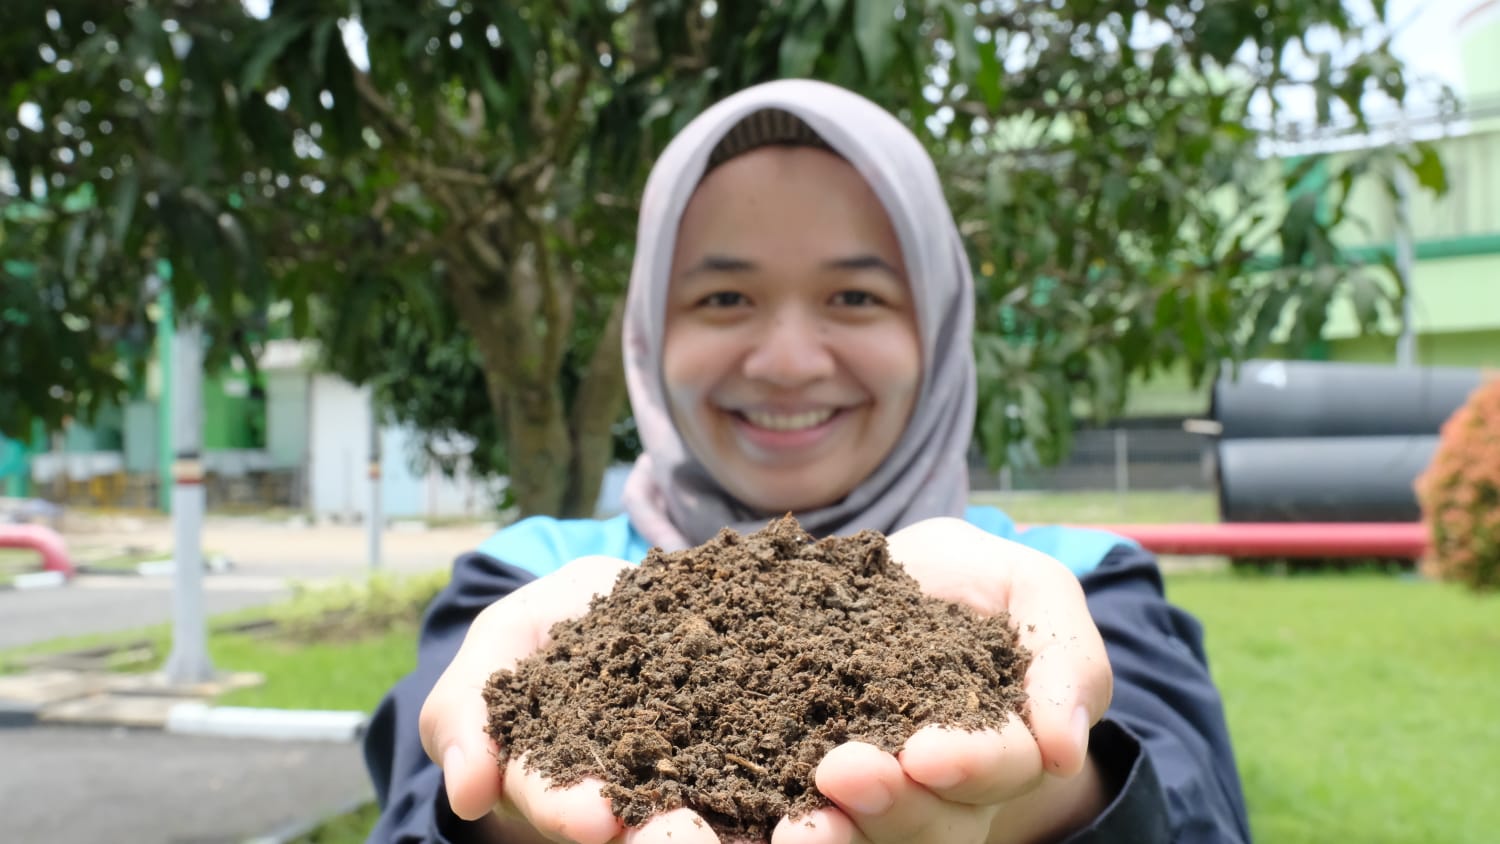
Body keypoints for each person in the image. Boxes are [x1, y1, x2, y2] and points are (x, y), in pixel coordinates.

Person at [363, 79, 1250, 844]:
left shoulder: (1070, 588)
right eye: (724, 296)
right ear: (648, 332)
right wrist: (509, 821)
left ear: (937, 328)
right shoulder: (528, 584)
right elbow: (420, 792)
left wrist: (1043, 796)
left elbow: (1191, 796)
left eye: (855, 295)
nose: (787, 361)